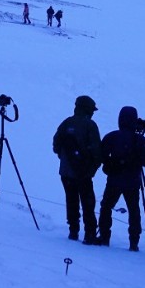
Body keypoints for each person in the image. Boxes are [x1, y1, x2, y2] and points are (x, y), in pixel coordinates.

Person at [97, 105, 145, 250]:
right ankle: (134, 242)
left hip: (114, 179)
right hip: (133, 180)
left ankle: (104, 237)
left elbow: (101, 155)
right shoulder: (140, 140)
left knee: (106, 207)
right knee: (134, 210)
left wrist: (111, 164)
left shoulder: (111, 137)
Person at [52, 95, 102, 244]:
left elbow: (56, 145)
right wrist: (92, 168)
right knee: (87, 202)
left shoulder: (66, 123)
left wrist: (67, 159)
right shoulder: (90, 125)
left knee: (71, 200)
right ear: (87, 109)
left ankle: (73, 231)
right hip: (83, 173)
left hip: (66, 172)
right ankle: (89, 234)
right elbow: (97, 152)